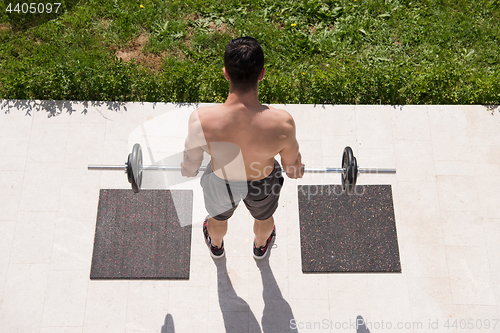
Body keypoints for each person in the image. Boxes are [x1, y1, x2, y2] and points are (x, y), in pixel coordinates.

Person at [181, 36, 304, 260]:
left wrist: (188, 168)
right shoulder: (282, 123)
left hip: (221, 181)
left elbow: (192, 163)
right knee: (264, 219)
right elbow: (291, 168)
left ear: (225, 73)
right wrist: (297, 167)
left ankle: (216, 246)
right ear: (262, 74)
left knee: (217, 218)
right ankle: (260, 246)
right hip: (262, 181)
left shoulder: (201, 120)